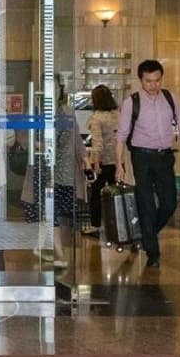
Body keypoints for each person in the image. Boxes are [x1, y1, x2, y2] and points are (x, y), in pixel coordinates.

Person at [116, 60, 180, 269]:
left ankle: (145, 235)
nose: (153, 85)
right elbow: (122, 136)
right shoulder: (131, 103)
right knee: (146, 204)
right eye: (148, 81)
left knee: (169, 203)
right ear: (141, 80)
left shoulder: (170, 98)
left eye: (157, 80)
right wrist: (119, 164)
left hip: (164, 157)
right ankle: (153, 253)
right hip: (141, 157)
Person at [50, 81, 86, 266]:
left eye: (55, 87)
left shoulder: (67, 112)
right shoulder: (42, 112)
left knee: (62, 213)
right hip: (48, 169)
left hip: (66, 171)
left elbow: (77, 138)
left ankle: (59, 251)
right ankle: (60, 254)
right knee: (52, 212)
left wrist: (85, 158)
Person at [81, 84, 120, 237]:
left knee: (96, 193)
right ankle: (118, 226)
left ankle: (95, 225)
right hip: (117, 161)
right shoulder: (117, 115)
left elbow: (97, 144)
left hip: (103, 162)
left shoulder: (96, 118)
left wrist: (95, 163)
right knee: (115, 194)